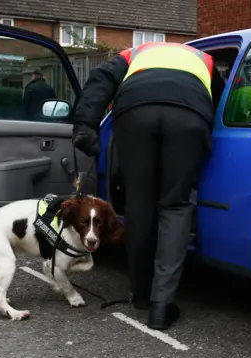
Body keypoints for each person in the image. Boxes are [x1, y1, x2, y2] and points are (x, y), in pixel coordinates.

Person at [72, 42, 226, 330]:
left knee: (139, 203)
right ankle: (161, 306)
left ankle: (141, 295)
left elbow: (101, 78)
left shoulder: (136, 52)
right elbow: (219, 105)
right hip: (189, 115)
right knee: (176, 205)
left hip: (135, 112)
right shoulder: (205, 60)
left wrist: (85, 125)